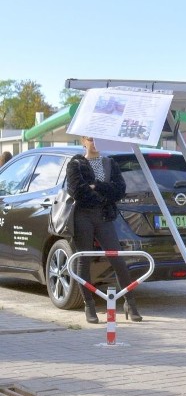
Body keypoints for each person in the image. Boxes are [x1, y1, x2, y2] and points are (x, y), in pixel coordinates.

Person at [66, 136, 142, 324]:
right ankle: (89, 305)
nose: (94, 142)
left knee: (117, 258)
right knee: (83, 260)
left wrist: (97, 186)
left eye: (97, 139)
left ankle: (130, 303)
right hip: (82, 216)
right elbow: (77, 191)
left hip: (104, 216)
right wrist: (103, 196)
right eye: (91, 139)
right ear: (83, 141)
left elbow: (119, 190)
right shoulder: (76, 163)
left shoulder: (110, 163)